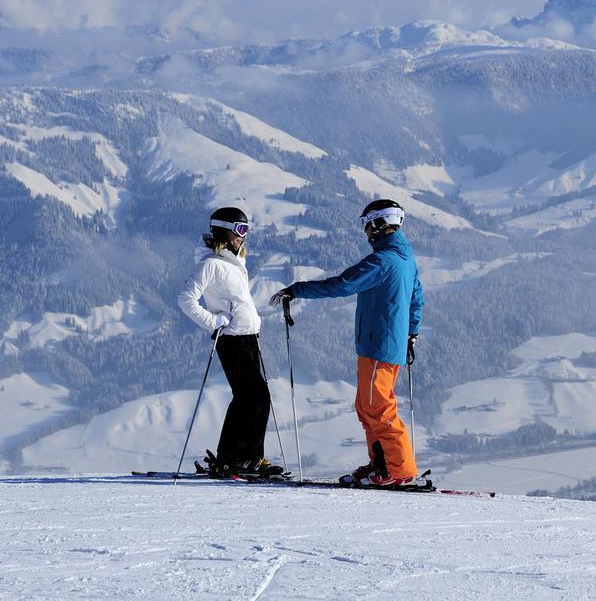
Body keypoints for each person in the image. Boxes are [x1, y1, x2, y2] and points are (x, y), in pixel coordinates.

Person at [270, 198, 424, 486]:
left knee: (378, 408)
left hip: (379, 345)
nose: (365, 232)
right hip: (382, 345)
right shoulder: (405, 259)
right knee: (367, 407)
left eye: (366, 225)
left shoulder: (383, 261)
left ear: (379, 224)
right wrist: (411, 334)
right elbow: (417, 299)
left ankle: (399, 471)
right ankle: (382, 464)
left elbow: (342, 284)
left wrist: (297, 290)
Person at [177, 206, 279, 477]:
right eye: (240, 230)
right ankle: (247, 459)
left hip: (247, 337)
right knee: (258, 397)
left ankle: (231, 456)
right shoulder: (211, 264)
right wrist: (213, 321)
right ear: (225, 230)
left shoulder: (234, 261)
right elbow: (186, 299)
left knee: (245, 398)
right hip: (232, 339)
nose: (243, 237)